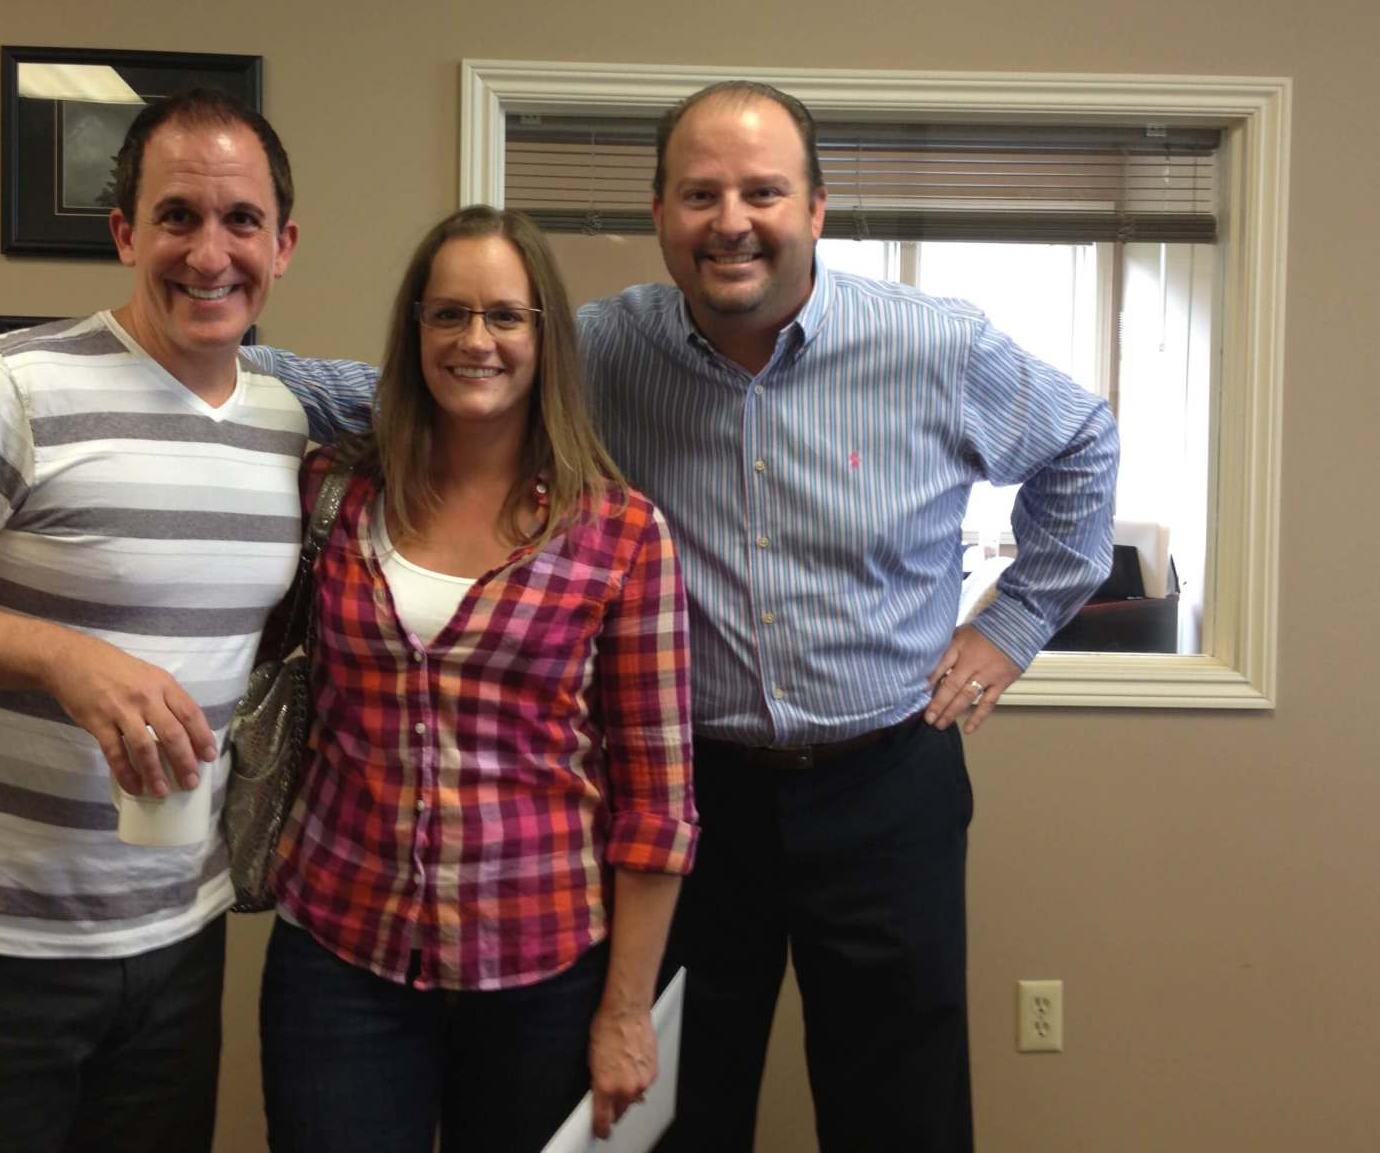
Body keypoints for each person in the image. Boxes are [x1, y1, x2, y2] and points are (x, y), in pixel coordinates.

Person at [0, 89, 373, 1152]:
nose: (209, 253)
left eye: (241, 221)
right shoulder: (8, 385)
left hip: (174, 939)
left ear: (283, 245)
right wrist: (60, 655)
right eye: (177, 218)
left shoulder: (289, 424)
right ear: (125, 235)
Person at [574, 81, 1120, 1152]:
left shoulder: (935, 347)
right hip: (684, 801)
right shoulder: (599, 353)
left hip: (887, 789)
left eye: (763, 191)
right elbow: (426, 392)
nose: (732, 219)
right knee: (665, 1107)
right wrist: (209, 366)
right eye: (700, 193)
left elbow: (1081, 441)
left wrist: (1010, 628)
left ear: (816, 209)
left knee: (902, 1113)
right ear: (659, 214)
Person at [257, 206, 698, 1153]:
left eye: (505, 316)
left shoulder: (621, 535)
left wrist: (626, 1012)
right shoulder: (334, 493)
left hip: (542, 972)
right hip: (339, 958)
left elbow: (658, 805)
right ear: (414, 332)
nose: (475, 341)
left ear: (545, 337)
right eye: (448, 314)